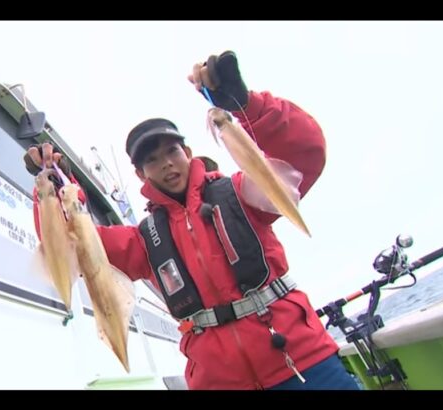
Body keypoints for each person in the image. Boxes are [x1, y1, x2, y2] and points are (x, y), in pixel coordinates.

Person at [24, 51, 359, 390]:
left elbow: (303, 156)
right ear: (140, 174)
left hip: (302, 361)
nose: (167, 164)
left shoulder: (242, 195)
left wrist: (247, 104)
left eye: (172, 152)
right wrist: (56, 188)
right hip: (219, 382)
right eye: (153, 160)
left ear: (187, 152)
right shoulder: (144, 240)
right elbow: (69, 245)